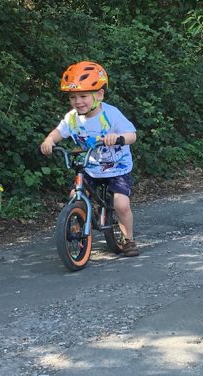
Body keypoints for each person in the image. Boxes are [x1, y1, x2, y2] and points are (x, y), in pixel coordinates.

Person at [40, 61, 140, 257]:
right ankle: (77, 222)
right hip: (91, 166)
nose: (78, 102)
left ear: (99, 95)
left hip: (117, 167)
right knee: (74, 196)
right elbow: (59, 132)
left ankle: (128, 239)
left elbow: (132, 135)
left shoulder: (111, 115)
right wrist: (49, 140)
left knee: (121, 204)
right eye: (73, 97)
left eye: (83, 96)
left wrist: (118, 138)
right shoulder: (72, 118)